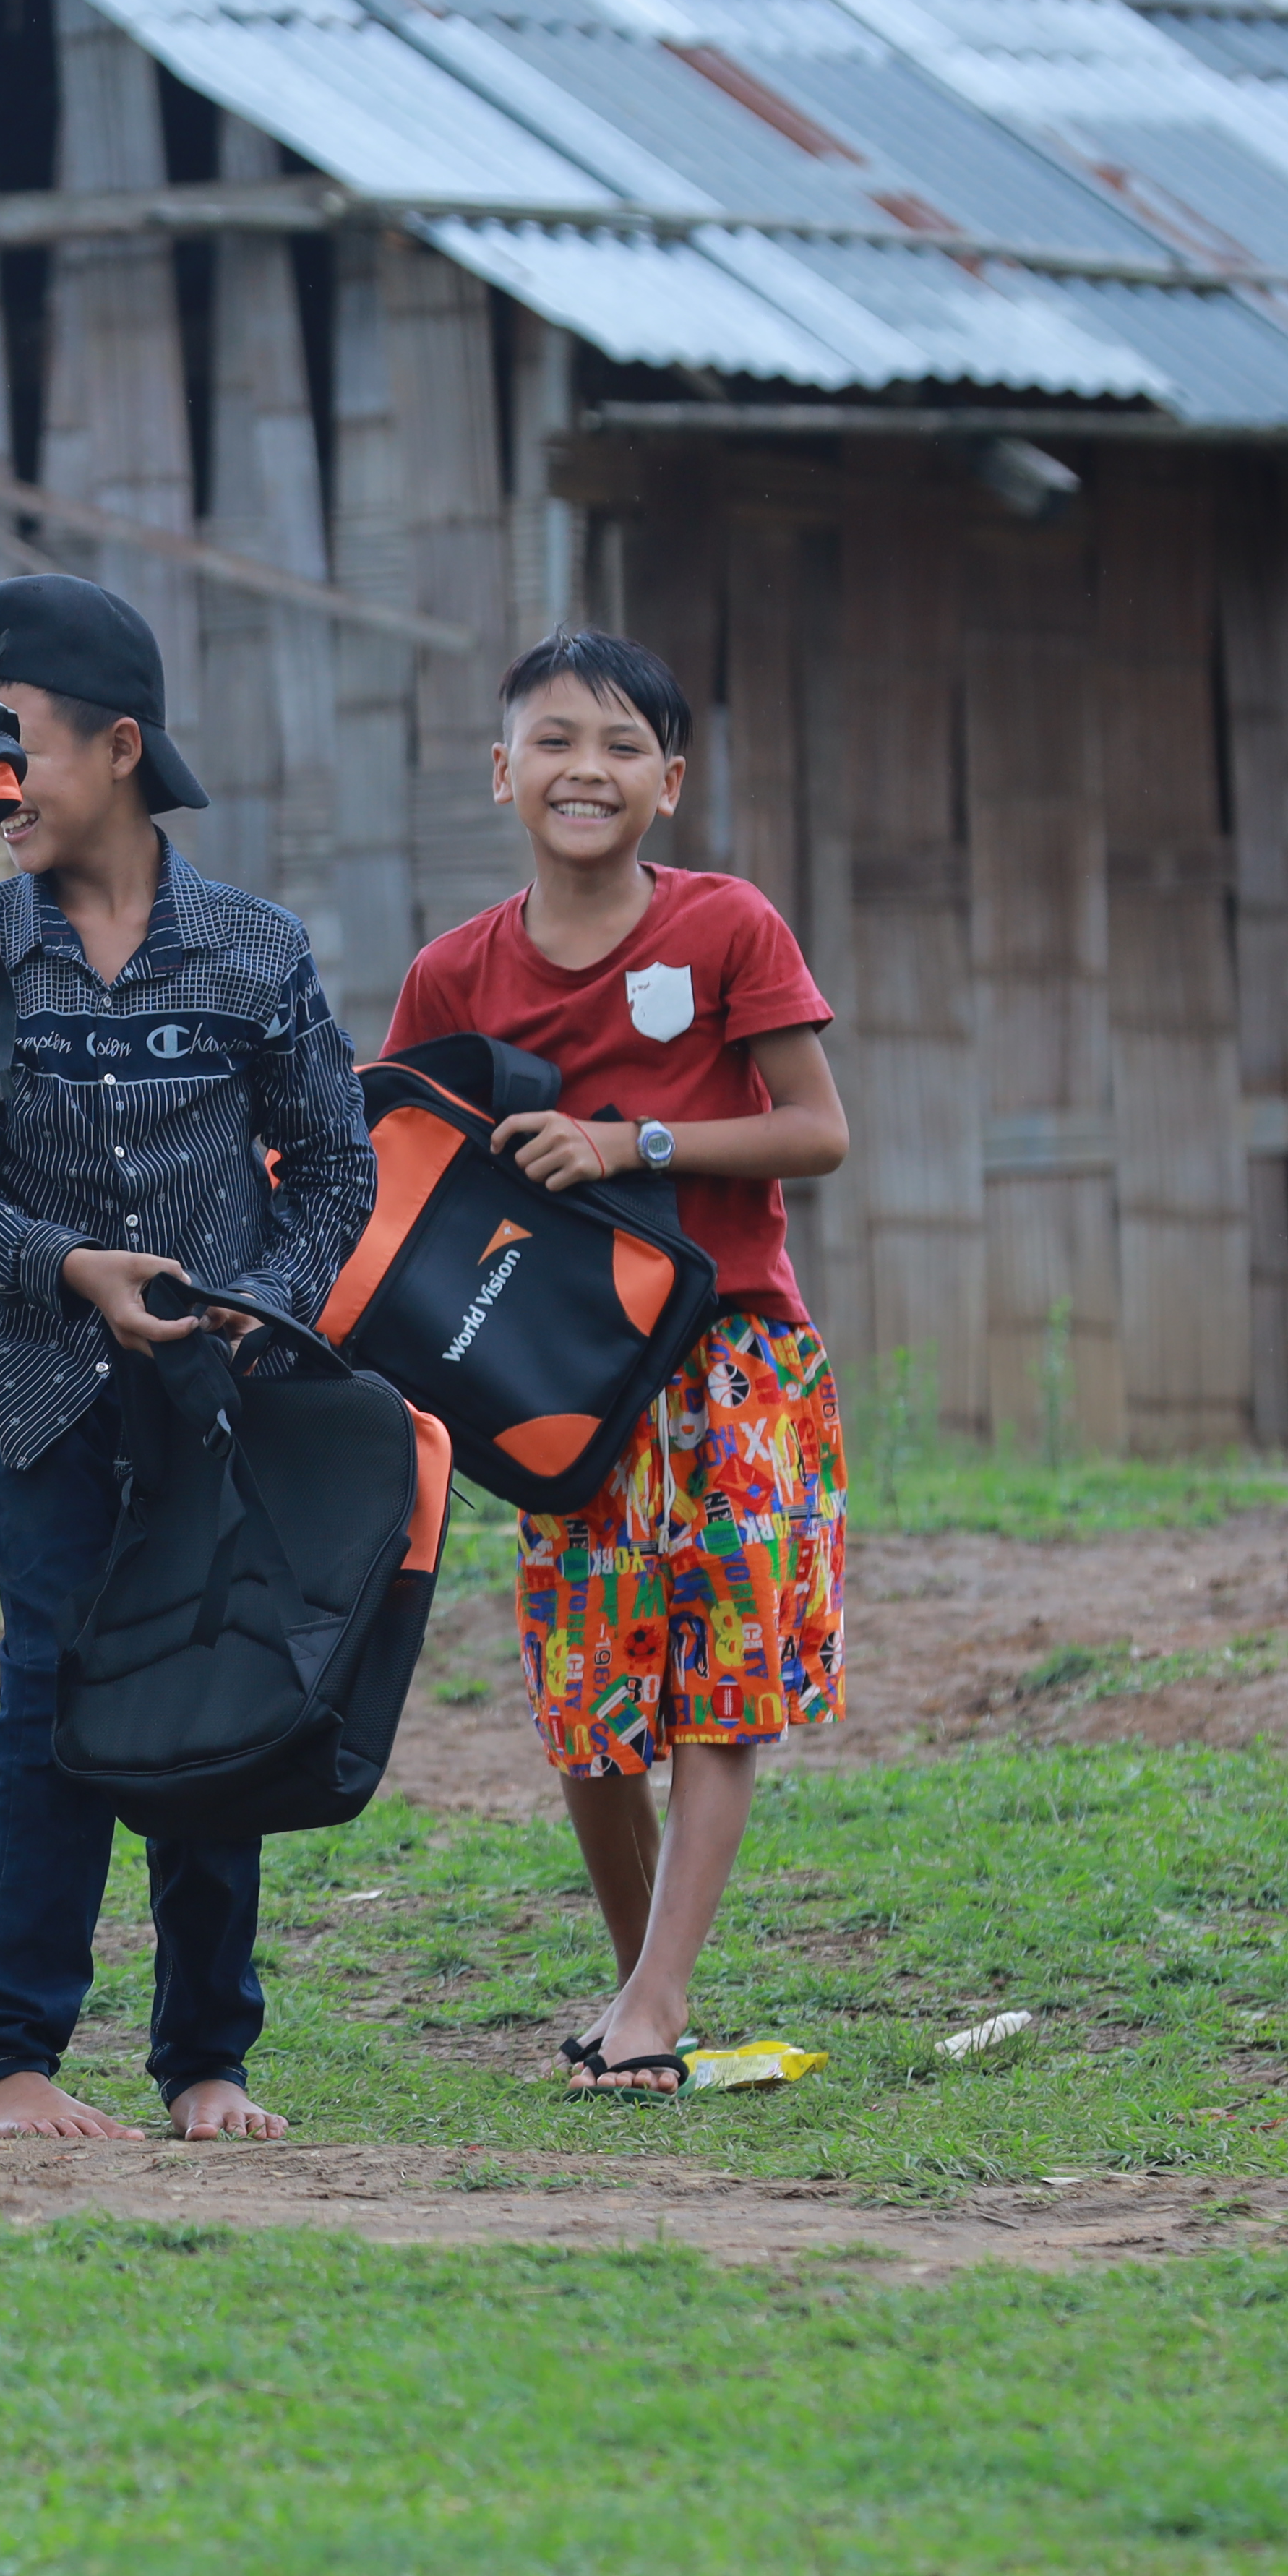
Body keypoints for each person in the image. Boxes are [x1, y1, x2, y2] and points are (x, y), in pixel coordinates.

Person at [0, 574, 377, 2146]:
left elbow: (337, 1169)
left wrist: (260, 1295)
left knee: (212, 1704)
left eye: (7, 742)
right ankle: (5, 2058)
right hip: (38, 1405)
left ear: (116, 745)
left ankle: (205, 2060)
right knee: (47, 1704)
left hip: (215, 1409)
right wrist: (71, 1270)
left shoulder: (255, 947)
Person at [382, 632, 853, 2100]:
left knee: (725, 1685)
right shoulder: (456, 969)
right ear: (502, 768)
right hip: (557, 1387)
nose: (587, 768)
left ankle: (651, 1999)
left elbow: (817, 1128)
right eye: (557, 739)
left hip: (735, 1360)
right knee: (591, 1705)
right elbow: (390, 1171)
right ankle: (645, 1990)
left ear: (670, 782)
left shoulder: (726, 928)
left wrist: (629, 1143)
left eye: (622, 746)